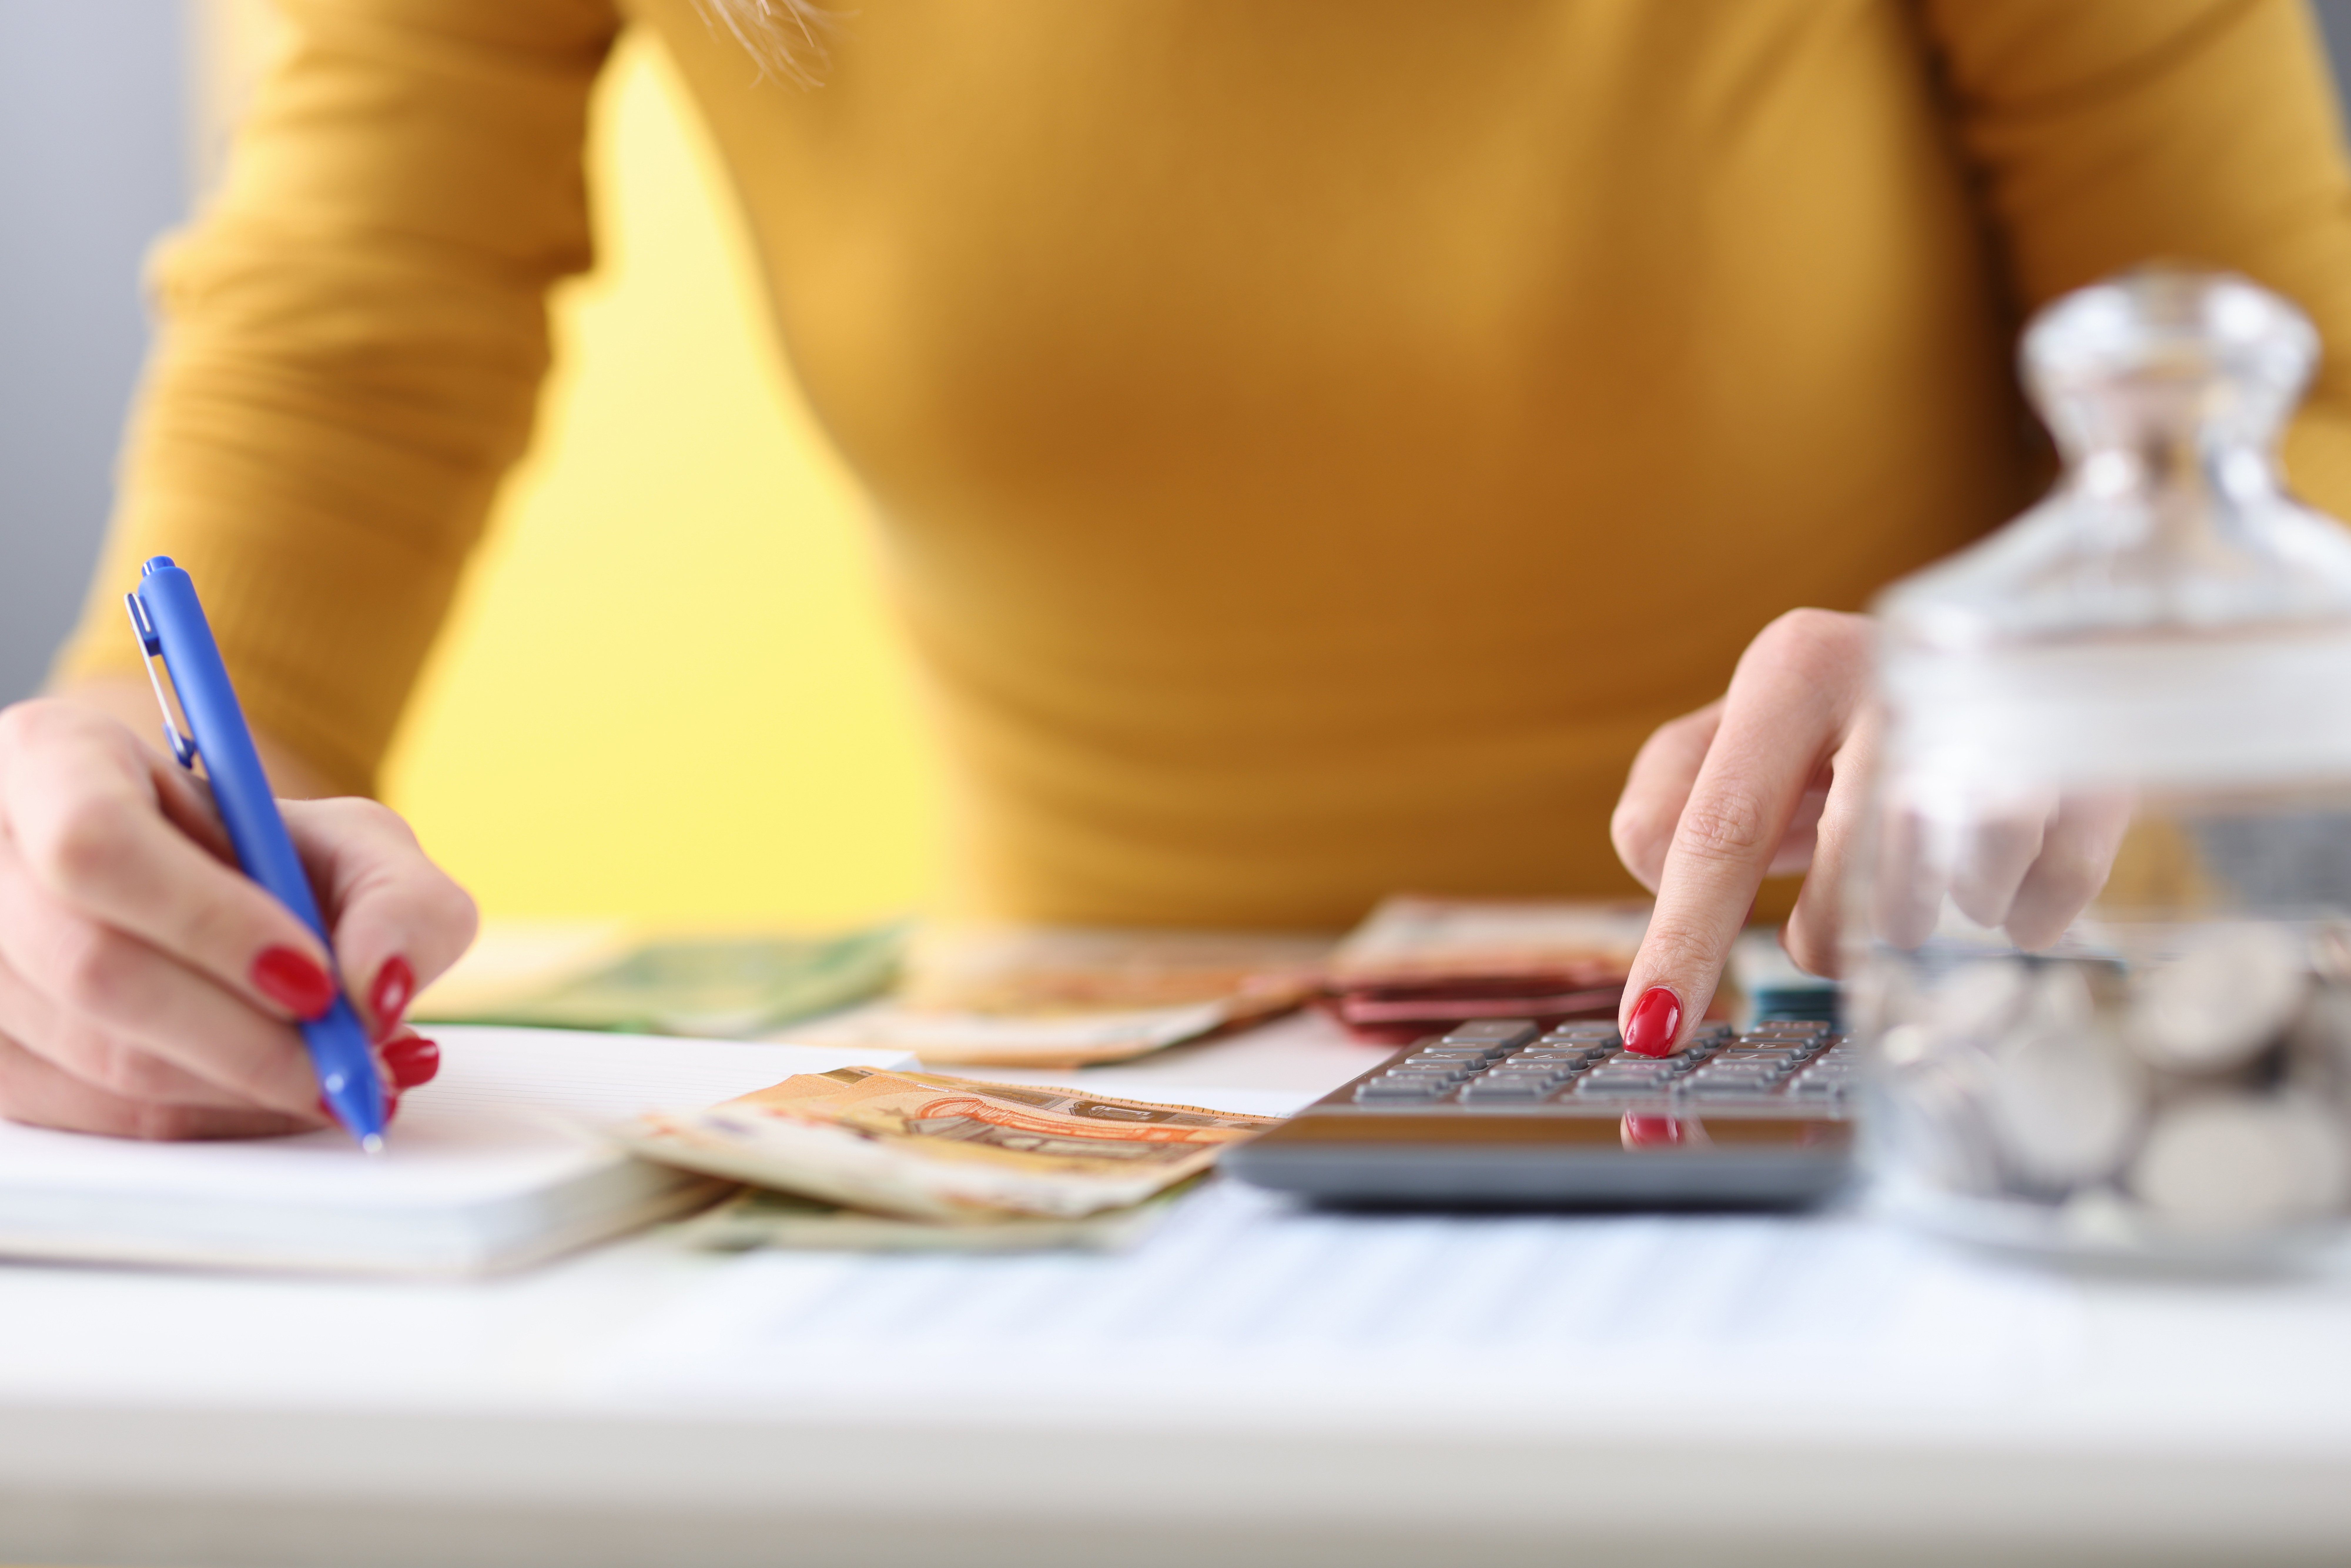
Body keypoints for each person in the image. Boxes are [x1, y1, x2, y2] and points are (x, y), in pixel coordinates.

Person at [4, 0, 2350, 1138]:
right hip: (1084, 1129)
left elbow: (2297, 390)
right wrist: (135, 793)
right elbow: (340, 358)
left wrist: (2075, 690)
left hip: (1950, 1068)